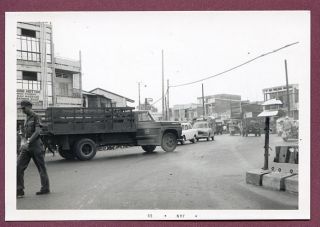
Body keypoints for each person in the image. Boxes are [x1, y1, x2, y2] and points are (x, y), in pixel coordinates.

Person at [17, 100, 50, 197]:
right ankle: (19, 190)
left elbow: (37, 132)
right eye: (21, 108)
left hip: (36, 146)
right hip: (27, 147)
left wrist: (27, 142)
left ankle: (45, 188)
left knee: (41, 168)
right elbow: (24, 133)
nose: (22, 110)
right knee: (18, 167)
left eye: (24, 108)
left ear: (29, 106)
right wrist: (22, 143)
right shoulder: (26, 118)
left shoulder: (36, 116)